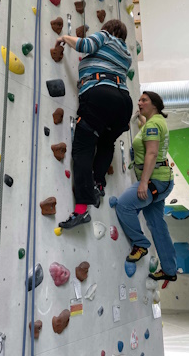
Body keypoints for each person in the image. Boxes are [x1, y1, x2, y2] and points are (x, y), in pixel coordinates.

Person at [56, 19, 133, 230]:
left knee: (83, 148)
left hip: (101, 94)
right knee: (107, 142)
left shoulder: (106, 37)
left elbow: (84, 46)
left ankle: (81, 210)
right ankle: (98, 183)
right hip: (124, 103)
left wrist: (65, 37)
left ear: (107, 29)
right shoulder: (126, 53)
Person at [114, 91, 177, 282]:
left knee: (124, 205)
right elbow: (146, 132)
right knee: (157, 224)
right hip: (162, 179)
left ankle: (140, 244)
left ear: (155, 105)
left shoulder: (153, 125)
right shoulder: (156, 122)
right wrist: (141, 118)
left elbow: (151, 153)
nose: (139, 102)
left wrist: (143, 183)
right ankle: (170, 269)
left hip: (154, 181)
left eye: (144, 100)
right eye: (139, 100)